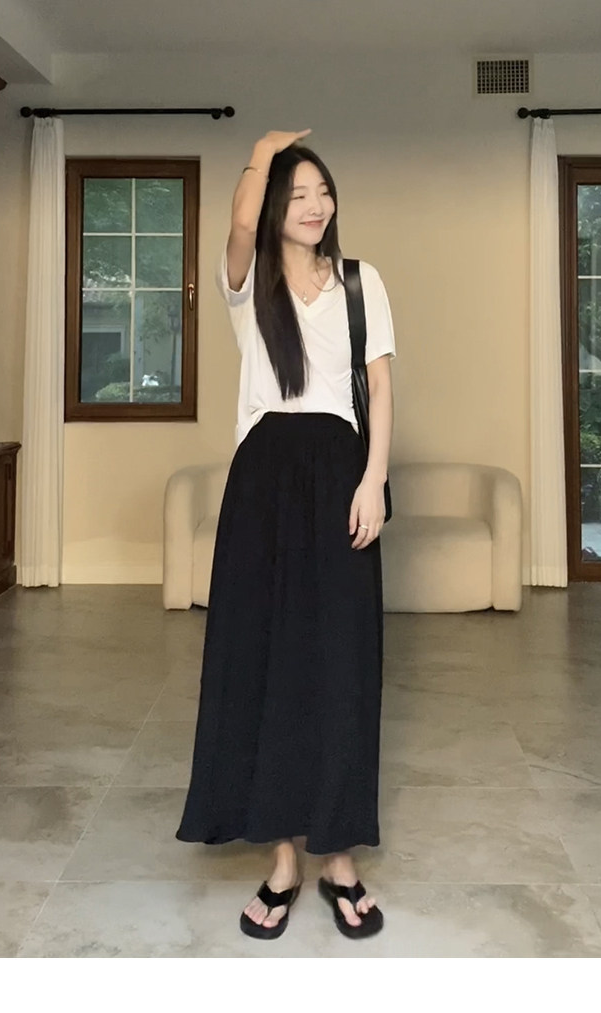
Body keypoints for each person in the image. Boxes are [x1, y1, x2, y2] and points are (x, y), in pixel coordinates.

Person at [176, 129, 395, 941]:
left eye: (323, 192)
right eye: (297, 194)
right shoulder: (249, 283)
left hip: (340, 474)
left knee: (341, 665)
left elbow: (380, 387)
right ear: (274, 205)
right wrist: (261, 153)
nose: (315, 205)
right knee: (265, 660)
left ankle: (338, 857)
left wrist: (372, 480)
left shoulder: (361, 282)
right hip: (263, 480)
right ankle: (281, 861)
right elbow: (238, 225)